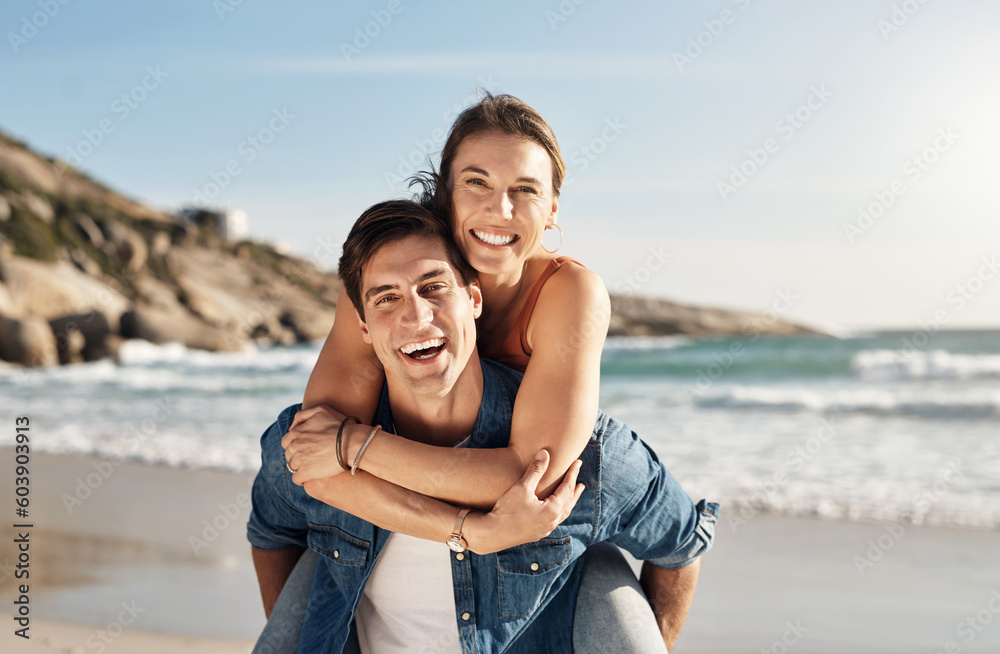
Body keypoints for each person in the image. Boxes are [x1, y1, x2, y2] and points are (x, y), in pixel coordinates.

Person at [248, 200, 718, 653]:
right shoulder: (310, 445)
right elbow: (271, 533)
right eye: (386, 299)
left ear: (473, 298)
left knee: (605, 570)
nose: (416, 316)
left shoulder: (577, 461)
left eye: (434, 287)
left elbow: (680, 546)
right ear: (364, 328)